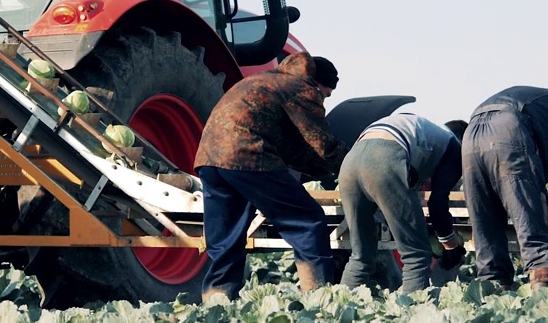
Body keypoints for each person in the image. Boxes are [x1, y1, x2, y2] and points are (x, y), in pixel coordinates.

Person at [194, 52, 346, 301]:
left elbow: (287, 144)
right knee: (308, 220)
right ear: (319, 84)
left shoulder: (264, 80)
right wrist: (347, 165)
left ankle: (216, 303)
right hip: (248, 156)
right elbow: (322, 143)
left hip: (209, 159)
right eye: (326, 93)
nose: (324, 100)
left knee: (226, 237)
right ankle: (318, 298)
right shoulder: (301, 88)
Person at [462, 87, 548, 290]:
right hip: (509, 127)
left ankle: (492, 284)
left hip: (471, 134)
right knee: (526, 215)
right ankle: (543, 276)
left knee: (484, 214)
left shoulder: (543, 106)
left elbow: (534, 190)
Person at [338, 113, 468, 293]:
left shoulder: (427, 133)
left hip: (350, 162)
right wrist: (452, 247)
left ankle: (338, 309)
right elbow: (437, 204)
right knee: (417, 255)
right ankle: (409, 316)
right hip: (383, 158)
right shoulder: (455, 147)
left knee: (361, 256)